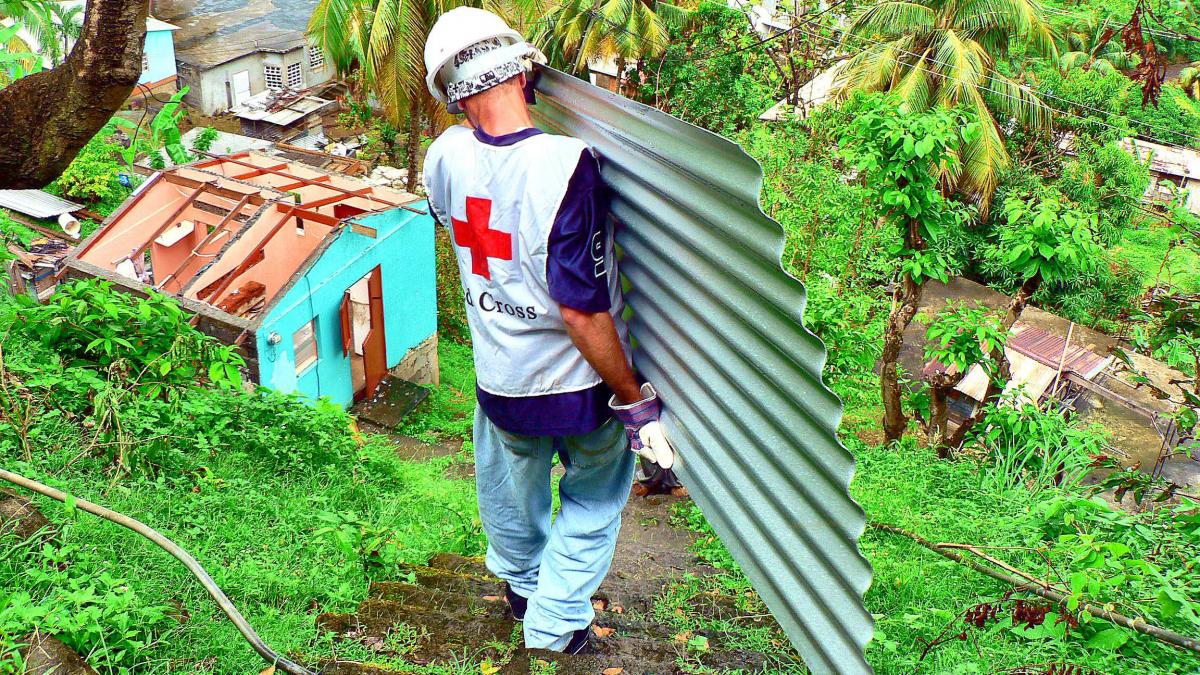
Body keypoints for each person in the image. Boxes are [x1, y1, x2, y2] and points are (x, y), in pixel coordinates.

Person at [421, 7, 676, 655]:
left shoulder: (443, 156)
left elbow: (459, 224)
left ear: (454, 95)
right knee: (593, 498)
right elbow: (581, 309)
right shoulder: (567, 164)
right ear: (521, 71)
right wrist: (633, 398)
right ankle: (556, 624)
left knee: (512, 496)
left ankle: (522, 587)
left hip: (499, 383)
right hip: (578, 389)